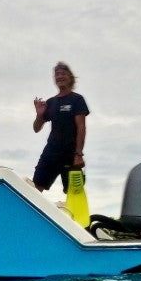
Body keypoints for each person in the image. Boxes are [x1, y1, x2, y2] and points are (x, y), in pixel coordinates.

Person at [32, 61, 89, 193]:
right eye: (56, 74)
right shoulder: (51, 102)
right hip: (51, 152)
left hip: (71, 153)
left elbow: (81, 128)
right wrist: (39, 115)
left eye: (63, 73)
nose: (59, 76)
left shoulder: (77, 99)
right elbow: (36, 128)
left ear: (70, 77)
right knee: (35, 189)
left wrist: (79, 154)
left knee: (74, 193)